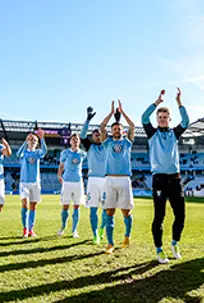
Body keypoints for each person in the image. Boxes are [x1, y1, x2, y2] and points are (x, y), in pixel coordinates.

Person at [141, 88, 189, 264]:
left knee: (181, 215)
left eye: (165, 117)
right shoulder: (152, 133)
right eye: (159, 117)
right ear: (157, 119)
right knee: (159, 216)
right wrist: (157, 102)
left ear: (169, 119)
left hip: (175, 179)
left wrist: (179, 102)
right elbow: (143, 118)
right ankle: (159, 250)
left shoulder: (174, 134)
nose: (162, 119)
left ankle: (175, 243)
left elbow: (186, 121)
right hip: (159, 180)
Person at [99, 100, 135, 254]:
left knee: (126, 212)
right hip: (109, 179)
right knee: (109, 212)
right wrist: (111, 111)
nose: (116, 130)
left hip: (125, 179)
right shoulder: (106, 143)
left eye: (118, 128)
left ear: (122, 131)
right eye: (114, 128)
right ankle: (110, 243)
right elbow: (101, 127)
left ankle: (127, 236)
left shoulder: (127, 142)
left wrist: (123, 111)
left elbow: (132, 126)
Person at [80, 107, 107, 244]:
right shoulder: (89, 146)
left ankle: (102, 228)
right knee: (93, 209)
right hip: (93, 181)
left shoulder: (108, 145)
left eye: (99, 134)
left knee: (106, 209)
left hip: (106, 180)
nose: (97, 136)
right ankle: (95, 234)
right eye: (95, 134)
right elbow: (82, 136)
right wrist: (88, 120)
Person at [17, 129, 47, 238]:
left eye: (35, 140)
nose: (32, 141)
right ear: (28, 141)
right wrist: (25, 142)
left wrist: (42, 138)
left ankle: (31, 229)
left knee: (33, 206)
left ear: (37, 142)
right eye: (31, 139)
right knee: (25, 204)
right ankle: (25, 229)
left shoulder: (37, 153)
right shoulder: (24, 152)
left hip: (35, 183)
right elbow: (18, 154)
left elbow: (44, 151)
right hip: (24, 182)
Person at [57, 134, 87, 238]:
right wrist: (59, 175)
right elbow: (61, 165)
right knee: (65, 206)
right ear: (70, 141)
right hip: (67, 182)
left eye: (77, 139)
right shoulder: (65, 153)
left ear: (79, 141)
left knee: (77, 206)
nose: (75, 141)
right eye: (73, 139)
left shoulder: (83, 154)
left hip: (78, 182)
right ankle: (63, 226)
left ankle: (74, 230)